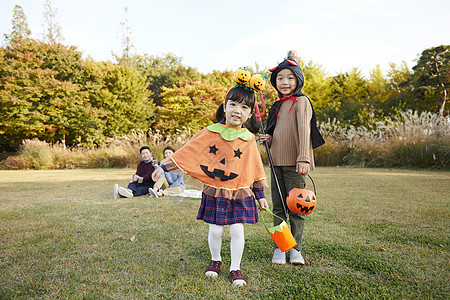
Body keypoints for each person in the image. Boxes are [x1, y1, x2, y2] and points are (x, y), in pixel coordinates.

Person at [152, 85, 268, 286]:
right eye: (232, 105)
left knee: (237, 231)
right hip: (215, 190)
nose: (237, 111)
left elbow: (254, 170)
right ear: (224, 107)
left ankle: (235, 268)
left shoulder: (249, 140)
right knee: (215, 230)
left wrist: (261, 195)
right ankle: (215, 260)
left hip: (240, 192)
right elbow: (188, 152)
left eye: (244, 107)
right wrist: (163, 167)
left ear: (250, 114)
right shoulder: (210, 132)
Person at [259, 58, 324, 265]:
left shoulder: (301, 102)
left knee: (296, 207)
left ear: (298, 80)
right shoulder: (278, 105)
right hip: (276, 161)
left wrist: (304, 158)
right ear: (274, 82)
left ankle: (295, 248)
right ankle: (281, 246)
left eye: (289, 77)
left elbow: (304, 130)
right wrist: (268, 139)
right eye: (280, 78)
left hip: (296, 163)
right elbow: (278, 131)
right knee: (278, 207)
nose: (284, 82)